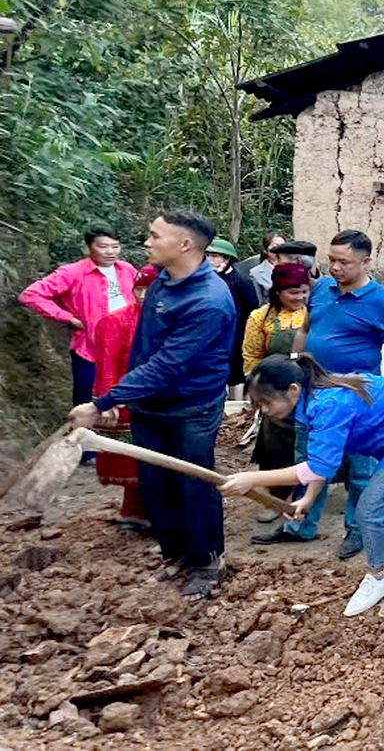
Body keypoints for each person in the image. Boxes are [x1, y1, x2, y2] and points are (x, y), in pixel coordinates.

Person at [69, 210, 236, 598]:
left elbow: (168, 364)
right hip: (150, 405)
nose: (147, 242)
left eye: (155, 236)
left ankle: (209, 561)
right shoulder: (162, 279)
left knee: (194, 483)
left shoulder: (208, 300)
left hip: (189, 409)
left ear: (184, 245)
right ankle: (175, 553)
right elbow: (147, 349)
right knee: (156, 485)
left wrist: (102, 402)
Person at [221, 355, 384, 616]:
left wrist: (251, 478)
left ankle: (378, 577)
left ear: (292, 390)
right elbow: (321, 461)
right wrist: (307, 500)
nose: (264, 411)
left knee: (369, 510)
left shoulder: (328, 404)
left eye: (266, 403)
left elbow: (316, 469)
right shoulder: (308, 401)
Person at [257, 230, 384, 558]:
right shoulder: (322, 289)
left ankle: (356, 531)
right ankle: (300, 524)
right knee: (307, 459)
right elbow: (305, 330)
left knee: (360, 470)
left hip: (357, 403)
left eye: (344, 262)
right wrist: (295, 365)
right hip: (311, 394)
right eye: (331, 260)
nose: (335, 267)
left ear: (366, 262)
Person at [20, 224, 137, 415]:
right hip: (90, 346)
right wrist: (68, 318)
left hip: (126, 346)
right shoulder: (73, 272)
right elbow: (31, 295)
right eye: (103, 246)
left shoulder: (127, 270)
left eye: (115, 246)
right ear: (90, 247)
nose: (110, 252)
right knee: (85, 397)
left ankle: (118, 435)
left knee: (123, 392)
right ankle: (81, 438)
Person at [90, 264, 158, 531]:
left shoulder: (163, 322)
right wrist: (108, 402)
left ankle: (142, 511)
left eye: (149, 289)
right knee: (134, 460)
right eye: (138, 289)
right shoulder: (115, 321)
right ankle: (136, 511)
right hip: (124, 401)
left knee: (150, 457)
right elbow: (106, 364)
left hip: (154, 399)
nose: (142, 295)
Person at [242, 262, 311, 522]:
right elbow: (251, 354)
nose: (300, 297)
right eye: (293, 292)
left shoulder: (315, 313)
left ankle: (309, 497)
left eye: (304, 291)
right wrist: (258, 390)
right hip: (274, 390)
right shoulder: (262, 317)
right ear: (278, 291)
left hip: (305, 386)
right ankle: (277, 499)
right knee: (276, 447)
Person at [206, 238, 259, 401]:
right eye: (207, 255)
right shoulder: (202, 280)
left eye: (215, 255)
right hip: (209, 335)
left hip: (236, 335)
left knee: (236, 374)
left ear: (227, 259)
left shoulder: (241, 281)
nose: (210, 259)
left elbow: (252, 306)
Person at [244, 232, 287, 303]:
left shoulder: (295, 269)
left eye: (283, 247)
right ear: (265, 250)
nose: (279, 251)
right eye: (275, 247)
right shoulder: (255, 273)